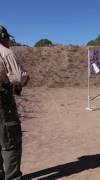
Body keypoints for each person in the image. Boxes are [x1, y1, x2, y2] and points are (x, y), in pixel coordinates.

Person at [0, 25, 29, 180]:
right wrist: (23, 81)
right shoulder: (4, 52)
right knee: (10, 142)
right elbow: (19, 77)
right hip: (2, 105)